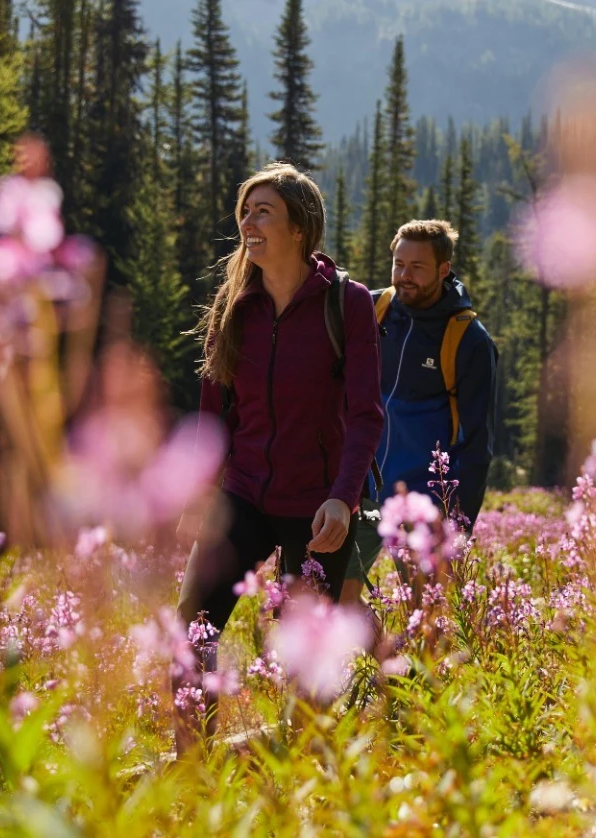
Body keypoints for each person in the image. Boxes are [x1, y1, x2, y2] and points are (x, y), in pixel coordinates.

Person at [179, 164, 384, 643]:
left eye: (263, 212)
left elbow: (365, 415)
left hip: (317, 505)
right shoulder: (233, 305)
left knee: (311, 647)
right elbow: (214, 414)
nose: (248, 223)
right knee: (192, 626)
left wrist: (342, 498)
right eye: (245, 212)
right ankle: (193, 722)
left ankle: (391, 687)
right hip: (242, 497)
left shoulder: (347, 303)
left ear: (299, 228)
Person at [341, 219, 497, 603]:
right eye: (398, 264)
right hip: (359, 490)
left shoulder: (469, 340)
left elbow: (478, 445)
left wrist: (459, 524)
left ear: (444, 270)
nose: (403, 276)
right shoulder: (371, 309)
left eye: (417, 267)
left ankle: (416, 665)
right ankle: (383, 658)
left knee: (427, 613)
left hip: (422, 503)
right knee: (335, 599)